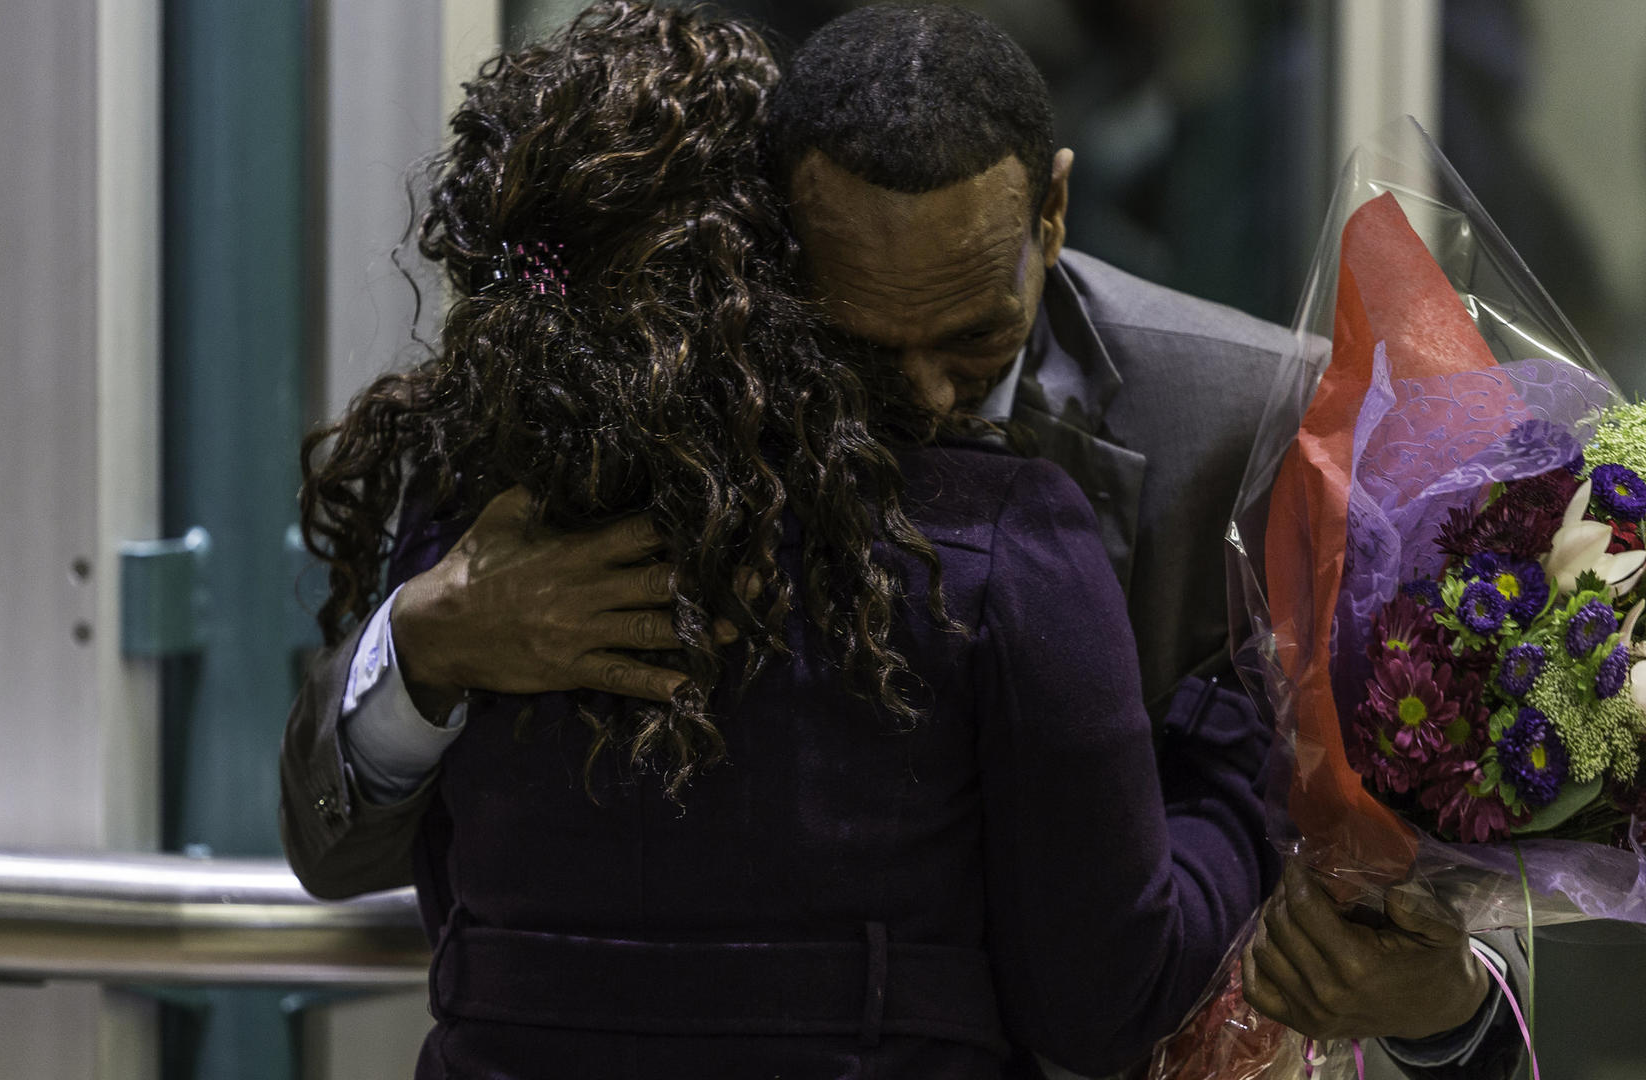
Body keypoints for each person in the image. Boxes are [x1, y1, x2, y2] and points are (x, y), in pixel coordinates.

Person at [283, 4, 1529, 1077]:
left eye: (975, 340)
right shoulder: (615, 430)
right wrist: (427, 646)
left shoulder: (1249, 423)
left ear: (1051, 208)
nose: (928, 400)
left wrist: (1444, 1007)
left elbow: (1438, 842)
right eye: (864, 349)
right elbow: (333, 842)